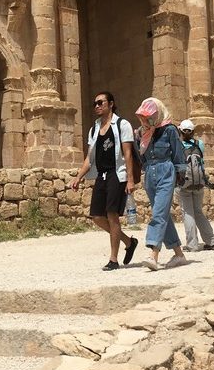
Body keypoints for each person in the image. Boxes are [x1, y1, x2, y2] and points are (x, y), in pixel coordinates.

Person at [71, 91, 139, 270]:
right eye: (95, 103)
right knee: (96, 216)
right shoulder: (94, 129)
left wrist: (130, 180)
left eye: (100, 102)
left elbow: (128, 153)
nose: (97, 106)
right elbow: (89, 158)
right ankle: (128, 242)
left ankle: (113, 259)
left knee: (111, 214)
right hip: (100, 175)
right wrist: (79, 176)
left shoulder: (122, 124)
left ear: (110, 104)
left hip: (117, 174)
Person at [135, 97, 188, 271]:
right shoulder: (142, 133)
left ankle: (153, 254)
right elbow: (141, 157)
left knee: (158, 213)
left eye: (148, 118)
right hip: (150, 174)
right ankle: (179, 255)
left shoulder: (169, 130)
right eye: (142, 117)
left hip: (166, 171)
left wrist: (180, 174)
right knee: (162, 213)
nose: (144, 121)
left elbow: (178, 153)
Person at [177, 119, 214, 252]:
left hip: (184, 184)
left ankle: (192, 245)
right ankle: (211, 241)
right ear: (193, 131)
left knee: (188, 213)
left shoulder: (178, 145)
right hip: (199, 183)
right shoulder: (199, 144)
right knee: (198, 212)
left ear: (180, 131)